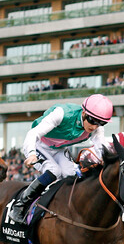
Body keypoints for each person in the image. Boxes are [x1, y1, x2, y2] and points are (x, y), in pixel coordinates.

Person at [10, 94, 113, 223]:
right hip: (37, 145)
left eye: (101, 123)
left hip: (59, 149)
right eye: (93, 121)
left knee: (71, 174)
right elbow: (33, 133)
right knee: (54, 171)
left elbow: (102, 147)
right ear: (84, 112)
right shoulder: (62, 113)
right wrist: (31, 153)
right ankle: (20, 206)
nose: (94, 127)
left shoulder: (97, 129)